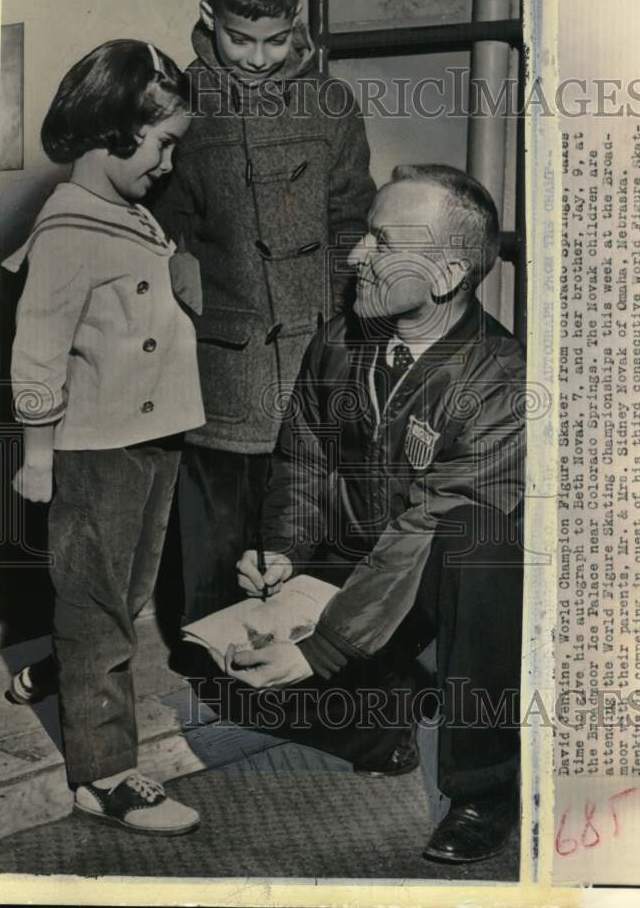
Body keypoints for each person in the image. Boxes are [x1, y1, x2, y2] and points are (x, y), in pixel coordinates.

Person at [193, 165, 526, 864]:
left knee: (478, 543)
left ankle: (483, 786)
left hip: (438, 562)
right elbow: (305, 457)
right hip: (364, 548)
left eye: (380, 242)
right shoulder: (341, 342)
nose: (353, 258)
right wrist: (281, 550)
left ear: (444, 275)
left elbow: (422, 530)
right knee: (216, 662)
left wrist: (321, 648)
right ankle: (387, 715)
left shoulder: (503, 378)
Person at [2, 40, 204, 835]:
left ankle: (66, 664)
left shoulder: (128, 215)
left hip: (154, 436)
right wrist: (40, 457)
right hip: (96, 448)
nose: (167, 160)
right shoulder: (67, 230)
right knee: (98, 607)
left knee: (125, 596)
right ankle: (105, 773)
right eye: (160, 142)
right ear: (113, 130)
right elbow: (37, 348)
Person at [152, 0, 375, 624]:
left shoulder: (331, 106)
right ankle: (218, 679)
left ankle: (300, 671)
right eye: (239, 39)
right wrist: (175, 252)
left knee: (307, 533)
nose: (257, 57)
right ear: (208, 16)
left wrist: (350, 337)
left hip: (313, 356)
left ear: (296, 23)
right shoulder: (178, 104)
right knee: (217, 557)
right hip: (221, 364)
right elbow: (159, 218)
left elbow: (352, 223)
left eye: (275, 40)